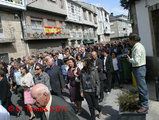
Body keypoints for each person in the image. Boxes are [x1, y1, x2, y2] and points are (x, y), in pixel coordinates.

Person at [127, 33, 149, 113]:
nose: (129, 42)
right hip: (139, 68)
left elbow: (136, 61)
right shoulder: (137, 47)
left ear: (132, 40)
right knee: (141, 87)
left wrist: (129, 59)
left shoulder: (137, 48)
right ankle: (142, 103)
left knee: (142, 87)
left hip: (139, 68)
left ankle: (145, 105)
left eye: (129, 40)